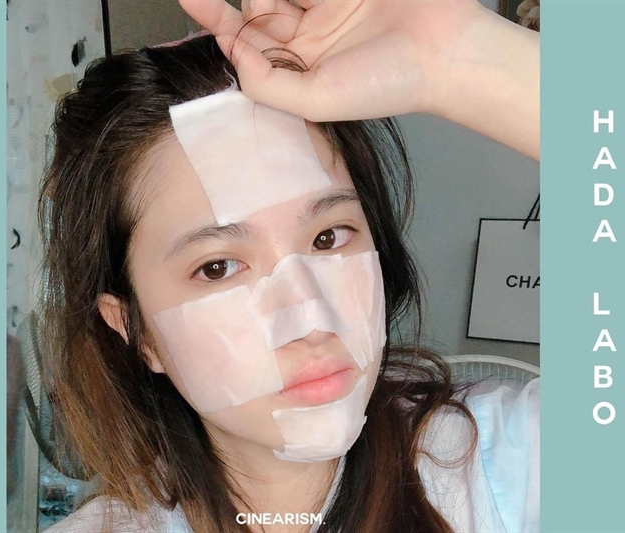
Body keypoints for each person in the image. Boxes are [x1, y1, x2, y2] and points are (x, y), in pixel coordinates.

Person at [40, 1, 539, 532]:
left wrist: (457, 59)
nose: (310, 317)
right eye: (218, 268)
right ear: (135, 330)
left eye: (328, 238)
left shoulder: (506, 465)